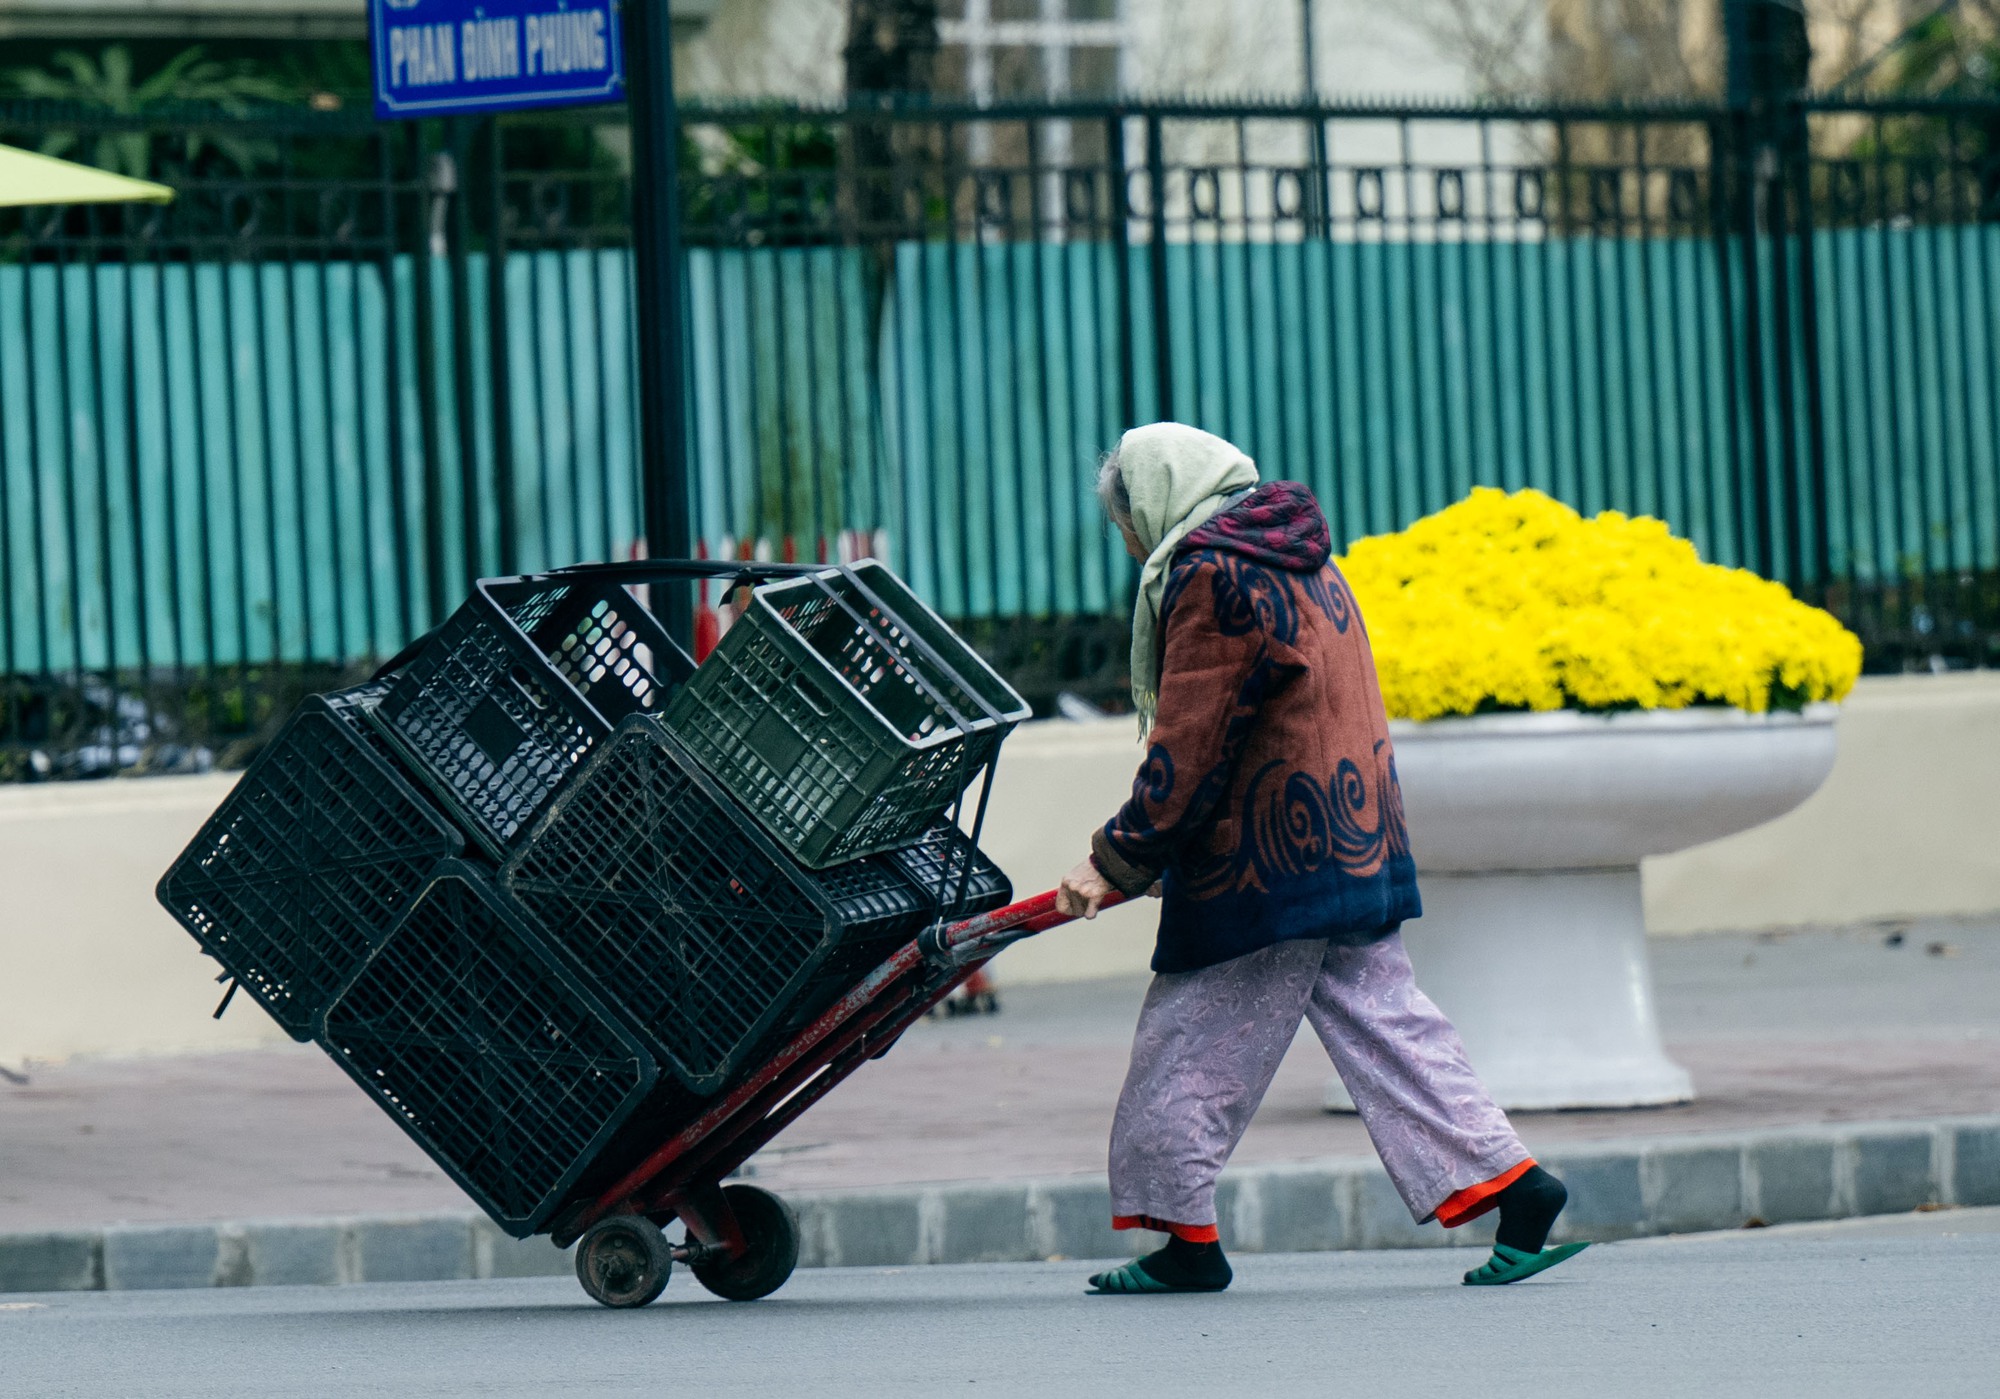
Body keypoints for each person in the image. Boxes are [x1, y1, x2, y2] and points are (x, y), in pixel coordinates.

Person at [1056, 422, 1587, 1295]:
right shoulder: (1301, 556)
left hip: (1267, 860)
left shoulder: (1213, 574)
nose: (1129, 543)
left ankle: (1185, 1238)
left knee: (1186, 1041)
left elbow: (1190, 741)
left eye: (1126, 523)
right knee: (1391, 1027)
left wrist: (1117, 857)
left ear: (1154, 504)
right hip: (1351, 837)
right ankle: (1518, 1185)